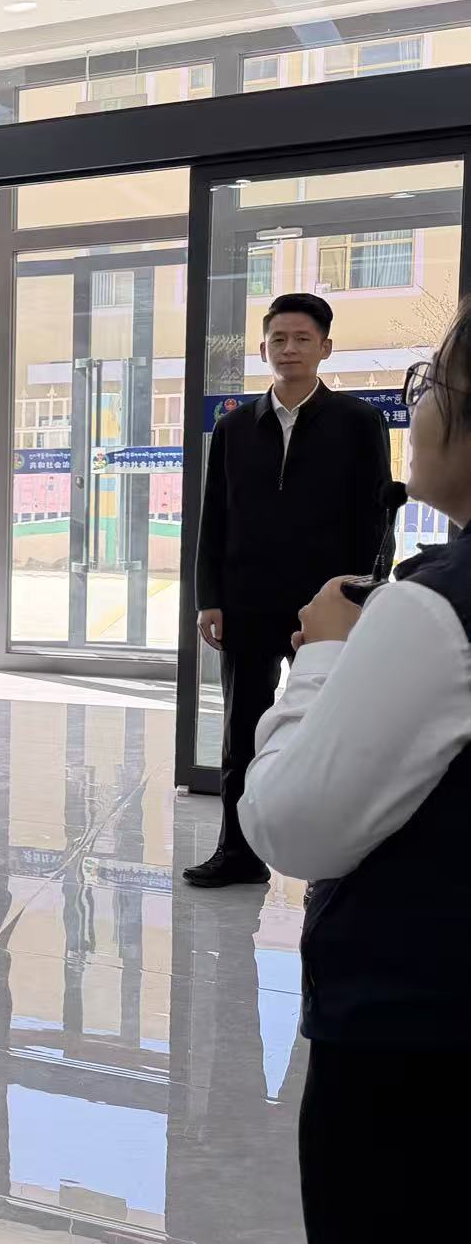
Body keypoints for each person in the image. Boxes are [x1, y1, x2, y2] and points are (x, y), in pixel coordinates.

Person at [238, 310, 471, 1243]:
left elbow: (291, 824)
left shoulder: (435, 608)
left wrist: (324, 655)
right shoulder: (239, 426)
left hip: (413, 1035)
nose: (419, 412)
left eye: (431, 386)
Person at [189, 292, 392, 889]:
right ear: (263, 349)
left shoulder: (358, 422)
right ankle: (237, 852)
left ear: (326, 347)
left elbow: (374, 518)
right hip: (247, 602)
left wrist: (362, 596)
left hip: (327, 609)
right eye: (279, 339)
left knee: (332, 733)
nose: (290, 349)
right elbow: (214, 518)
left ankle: (332, 864)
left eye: (303, 339)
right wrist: (209, 597)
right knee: (241, 732)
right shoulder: (234, 427)